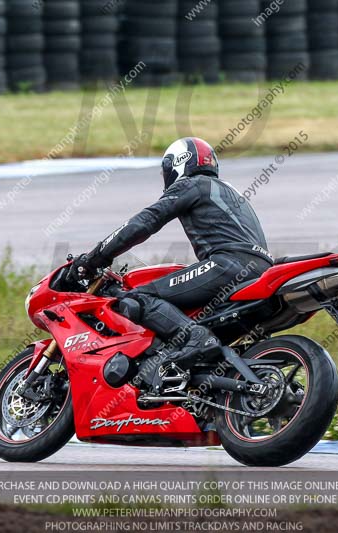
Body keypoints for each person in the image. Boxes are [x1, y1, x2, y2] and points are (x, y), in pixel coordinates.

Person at [68, 137, 273, 393]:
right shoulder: (230, 191)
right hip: (261, 269)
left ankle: (195, 338)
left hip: (228, 265)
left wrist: (96, 256)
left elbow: (144, 222)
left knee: (140, 297)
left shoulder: (192, 184)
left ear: (176, 165)